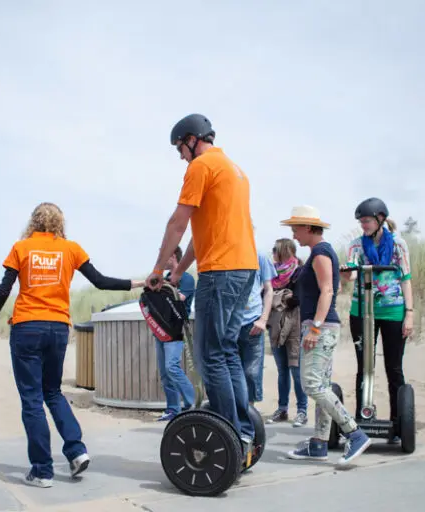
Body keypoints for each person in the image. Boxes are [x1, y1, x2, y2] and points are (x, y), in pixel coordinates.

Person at [0, 202, 145, 488]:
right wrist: (139, 283)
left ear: (33, 221)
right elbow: (101, 281)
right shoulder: (70, 249)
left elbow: (5, 288)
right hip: (57, 328)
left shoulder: (21, 248)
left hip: (27, 327)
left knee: (32, 398)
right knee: (53, 392)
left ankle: (42, 470)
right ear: (59, 223)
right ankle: (76, 450)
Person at [147, 113, 260, 455]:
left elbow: (179, 223)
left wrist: (157, 269)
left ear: (191, 140)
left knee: (208, 354)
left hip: (221, 272)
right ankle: (242, 429)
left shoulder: (200, 167)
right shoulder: (235, 170)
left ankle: (232, 433)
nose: (180, 156)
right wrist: (178, 271)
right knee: (225, 351)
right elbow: (202, 233)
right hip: (244, 269)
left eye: (180, 148)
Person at [281, 205, 372, 465]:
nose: (294, 234)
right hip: (322, 325)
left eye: (296, 228)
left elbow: (329, 291)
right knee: (320, 384)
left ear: (309, 228)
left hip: (321, 327)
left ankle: (355, 433)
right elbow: (335, 288)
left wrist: (316, 326)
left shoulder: (321, 252)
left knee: (312, 384)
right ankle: (319, 444)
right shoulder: (320, 253)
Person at [342, 198, 414, 444]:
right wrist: (345, 274)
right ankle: (360, 422)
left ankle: (398, 422)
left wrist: (410, 313)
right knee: (364, 366)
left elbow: (405, 278)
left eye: (367, 220)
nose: (363, 225)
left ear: (380, 218)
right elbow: (351, 275)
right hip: (362, 311)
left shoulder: (398, 245)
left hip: (393, 311)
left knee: (394, 368)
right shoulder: (355, 246)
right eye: (361, 221)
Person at [266, 238, 308, 427]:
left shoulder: (300, 271)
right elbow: (264, 295)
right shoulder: (271, 272)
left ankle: (302, 410)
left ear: (284, 251)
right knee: (282, 370)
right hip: (274, 325)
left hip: (294, 326)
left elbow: (299, 298)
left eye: (275, 249)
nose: (273, 252)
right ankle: (282, 409)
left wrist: (277, 298)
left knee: (296, 369)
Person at [155, 245, 196, 421]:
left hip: (176, 328)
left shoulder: (186, 278)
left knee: (172, 366)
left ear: (172, 255)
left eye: (163, 254)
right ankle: (173, 408)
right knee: (165, 372)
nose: (160, 258)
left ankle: (192, 404)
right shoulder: (164, 278)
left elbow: (178, 298)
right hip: (161, 327)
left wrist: (161, 291)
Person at [237, 244, 275, 408]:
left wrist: (263, 319)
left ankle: (249, 413)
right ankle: (234, 413)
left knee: (251, 373)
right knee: (232, 373)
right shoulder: (226, 255)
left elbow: (268, 289)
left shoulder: (260, 255)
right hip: (229, 324)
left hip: (252, 322)